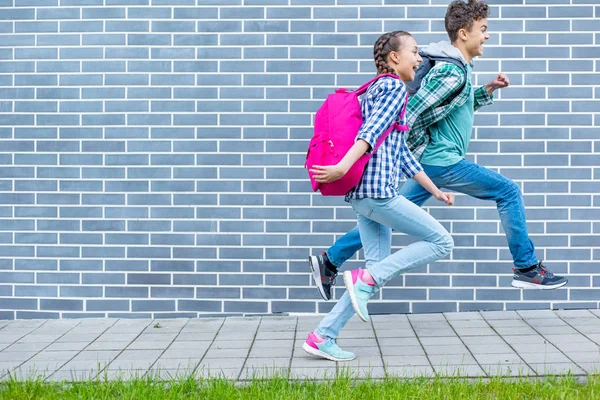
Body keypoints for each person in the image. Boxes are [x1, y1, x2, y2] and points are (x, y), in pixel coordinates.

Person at [309, 0, 567, 304]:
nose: (488, 36)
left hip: (431, 164)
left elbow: (452, 104)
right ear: (463, 33)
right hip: (442, 161)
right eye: (483, 30)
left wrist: (487, 90)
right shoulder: (452, 72)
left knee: (386, 214)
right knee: (508, 191)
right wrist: (408, 150)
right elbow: (411, 112)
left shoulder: (460, 70)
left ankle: (331, 260)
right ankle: (526, 267)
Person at [303, 30, 455, 362]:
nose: (420, 59)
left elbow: (402, 156)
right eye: (414, 52)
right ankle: (361, 281)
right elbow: (369, 134)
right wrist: (342, 167)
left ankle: (322, 336)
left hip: (363, 196)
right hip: (378, 194)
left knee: (373, 273)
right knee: (442, 242)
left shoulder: (375, 89)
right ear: (394, 57)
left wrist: (435, 191)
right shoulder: (392, 87)